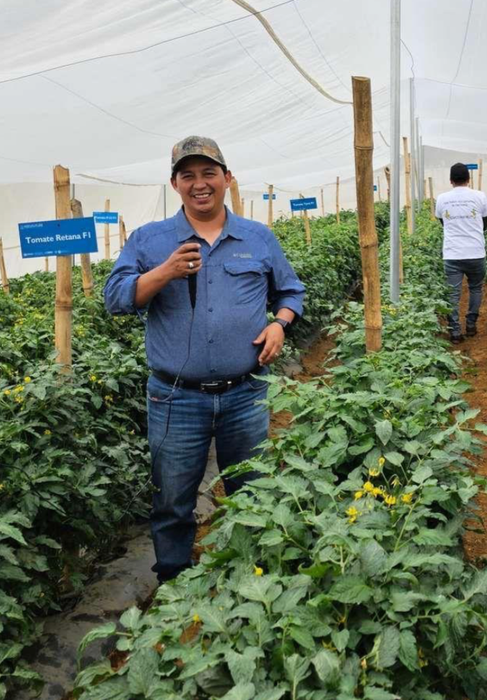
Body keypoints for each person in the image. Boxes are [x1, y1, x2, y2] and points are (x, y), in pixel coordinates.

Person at [104, 136, 305, 583]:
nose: (200, 184)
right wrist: (164, 272)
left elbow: (290, 291)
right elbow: (116, 299)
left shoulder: (257, 237)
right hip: (176, 397)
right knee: (173, 498)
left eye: (209, 173)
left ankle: (250, 579)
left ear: (227, 179)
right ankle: (174, 587)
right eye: (188, 175)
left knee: (250, 489)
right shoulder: (149, 240)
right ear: (175, 184)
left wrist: (280, 323)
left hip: (246, 392)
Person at [434, 163, 487, 341]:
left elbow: (443, 222)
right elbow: (485, 224)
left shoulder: (442, 198)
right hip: (475, 252)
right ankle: (471, 323)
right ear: (469, 179)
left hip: (452, 254)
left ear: (451, 180)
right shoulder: (479, 196)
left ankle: (455, 332)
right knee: (475, 288)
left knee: (453, 293)